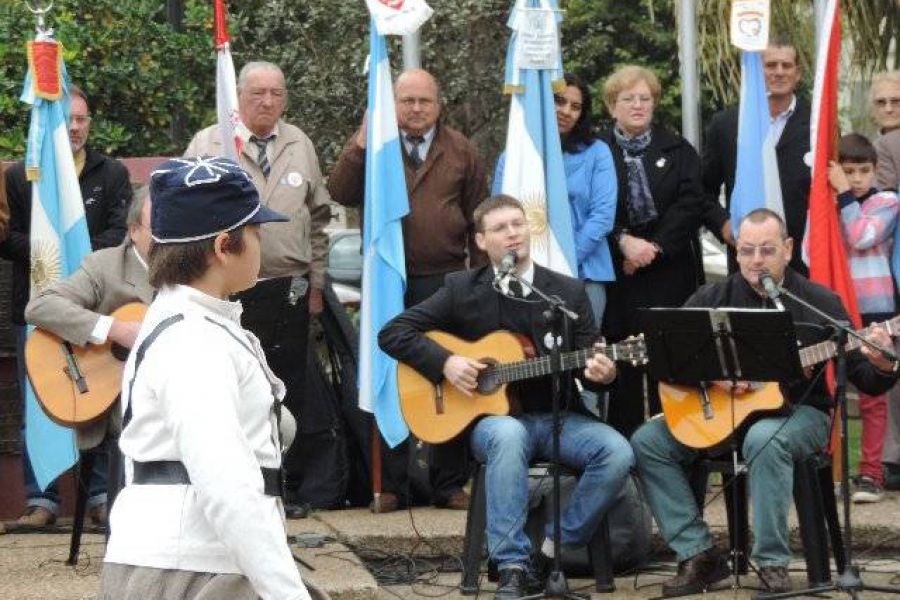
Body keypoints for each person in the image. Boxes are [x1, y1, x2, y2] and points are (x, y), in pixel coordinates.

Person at [631, 209, 899, 598]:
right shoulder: (712, 298)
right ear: (737, 253)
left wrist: (884, 361)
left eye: (767, 250)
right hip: (722, 414)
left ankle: (772, 564)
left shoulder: (818, 302)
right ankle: (699, 552)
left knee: (764, 438)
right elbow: (669, 357)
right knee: (647, 441)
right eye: (748, 250)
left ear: (788, 250)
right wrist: (715, 376)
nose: (757, 260)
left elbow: (867, 379)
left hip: (802, 415)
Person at [379, 194, 634, 600]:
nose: (512, 234)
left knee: (618, 452)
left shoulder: (565, 292)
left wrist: (607, 371)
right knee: (509, 435)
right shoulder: (461, 289)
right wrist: (446, 363)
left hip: (559, 416)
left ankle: (552, 546)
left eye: (518, 224)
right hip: (490, 424)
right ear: (482, 241)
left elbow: (596, 369)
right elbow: (392, 333)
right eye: (500, 228)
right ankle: (511, 565)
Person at [100, 156, 312, 600]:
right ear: (223, 246)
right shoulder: (193, 339)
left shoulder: (196, 322)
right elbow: (226, 484)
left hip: (203, 563)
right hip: (189, 571)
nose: (261, 244)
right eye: (255, 232)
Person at [328, 68, 489, 512]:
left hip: (447, 281)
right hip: (388, 281)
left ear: (439, 104)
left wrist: (480, 282)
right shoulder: (376, 144)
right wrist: (358, 146)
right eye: (407, 101)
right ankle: (394, 484)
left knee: (452, 374)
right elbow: (339, 191)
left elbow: (479, 217)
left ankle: (449, 483)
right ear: (392, 104)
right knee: (391, 378)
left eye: (425, 101)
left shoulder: (461, 150)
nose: (416, 109)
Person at [185, 61, 333, 511]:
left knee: (285, 391)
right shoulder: (209, 143)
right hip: (228, 292)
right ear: (240, 96)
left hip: (288, 288)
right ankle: (238, 486)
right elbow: (188, 218)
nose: (268, 101)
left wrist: (317, 285)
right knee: (234, 390)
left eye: (276, 93)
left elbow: (322, 220)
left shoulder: (299, 143)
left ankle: (278, 487)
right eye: (257, 93)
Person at [1, 84, 131, 528]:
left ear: (89, 124)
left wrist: (79, 258)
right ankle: (43, 502)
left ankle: (100, 496)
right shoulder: (23, 175)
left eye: (81, 120)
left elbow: (120, 233)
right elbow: (7, 238)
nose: (74, 128)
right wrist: (46, 250)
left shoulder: (110, 173)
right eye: (67, 121)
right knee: (39, 404)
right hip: (38, 307)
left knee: (103, 402)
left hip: (98, 309)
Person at [22, 190, 155, 526]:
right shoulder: (104, 264)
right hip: (112, 394)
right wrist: (113, 329)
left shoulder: (192, 267)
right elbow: (39, 306)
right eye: (158, 225)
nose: (169, 234)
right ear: (133, 229)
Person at [599, 65, 704, 436]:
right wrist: (622, 242)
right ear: (613, 105)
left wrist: (654, 248)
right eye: (629, 99)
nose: (638, 105)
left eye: (645, 98)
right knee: (623, 375)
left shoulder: (678, 149)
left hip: (669, 277)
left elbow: (692, 204)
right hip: (618, 278)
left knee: (671, 370)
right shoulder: (597, 152)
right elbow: (587, 208)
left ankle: (678, 453)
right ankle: (624, 467)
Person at [493, 72, 617, 331]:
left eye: (576, 106)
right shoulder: (514, 156)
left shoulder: (597, 152)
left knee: (583, 359)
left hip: (585, 273)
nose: (566, 111)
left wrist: (565, 261)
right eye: (559, 101)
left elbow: (602, 216)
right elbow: (498, 214)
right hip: (525, 275)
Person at [827, 133, 900, 503]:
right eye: (848, 171)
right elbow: (814, 248)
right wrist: (833, 199)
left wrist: (842, 196)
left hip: (875, 309)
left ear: (874, 171)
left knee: (873, 394)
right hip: (835, 307)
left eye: (863, 171)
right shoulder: (825, 205)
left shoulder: (886, 202)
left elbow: (860, 235)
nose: (855, 179)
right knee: (832, 391)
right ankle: (834, 470)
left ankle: (871, 474)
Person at [700, 38, 811, 274]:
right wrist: (722, 223)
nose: (779, 72)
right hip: (748, 261)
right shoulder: (726, 125)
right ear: (755, 70)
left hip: (805, 260)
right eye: (770, 65)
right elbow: (702, 188)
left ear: (797, 73)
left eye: (786, 65)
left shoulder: (817, 124)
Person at [869, 71, 900, 491]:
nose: (891, 109)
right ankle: (892, 459)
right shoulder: (878, 144)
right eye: (883, 102)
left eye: (898, 100)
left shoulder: (886, 146)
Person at [870, 71, 900, 191]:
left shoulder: (882, 144)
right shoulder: (871, 146)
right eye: (881, 102)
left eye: (896, 101)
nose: (888, 109)